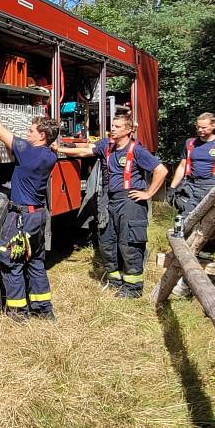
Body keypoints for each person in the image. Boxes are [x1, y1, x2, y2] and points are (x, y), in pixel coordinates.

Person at [56, 114, 168, 298]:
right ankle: (115, 282)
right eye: (112, 126)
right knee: (107, 242)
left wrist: (148, 194)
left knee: (129, 243)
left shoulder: (137, 150)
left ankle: (133, 288)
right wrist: (59, 148)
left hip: (130, 202)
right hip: (109, 200)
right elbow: (85, 150)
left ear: (129, 130)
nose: (112, 129)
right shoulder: (106, 146)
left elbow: (161, 170)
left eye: (117, 126)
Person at [0, 107, 59, 322]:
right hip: (37, 216)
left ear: (42, 136)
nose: (27, 134)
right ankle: (43, 309)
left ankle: (18, 312)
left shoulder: (27, 151)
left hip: (20, 217)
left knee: (10, 257)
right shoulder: (50, 156)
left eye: (31, 131)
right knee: (36, 260)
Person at [168, 112, 215, 258]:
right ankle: (179, 251)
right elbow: (182, 166)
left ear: (213, 125)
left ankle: (205, 255)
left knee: (209, 222)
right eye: (198, 127)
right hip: (190, 185)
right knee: (183, 218)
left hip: (213, 185)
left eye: (204, 128)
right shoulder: (190, 143)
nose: (200, 131)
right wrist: (172, 187)